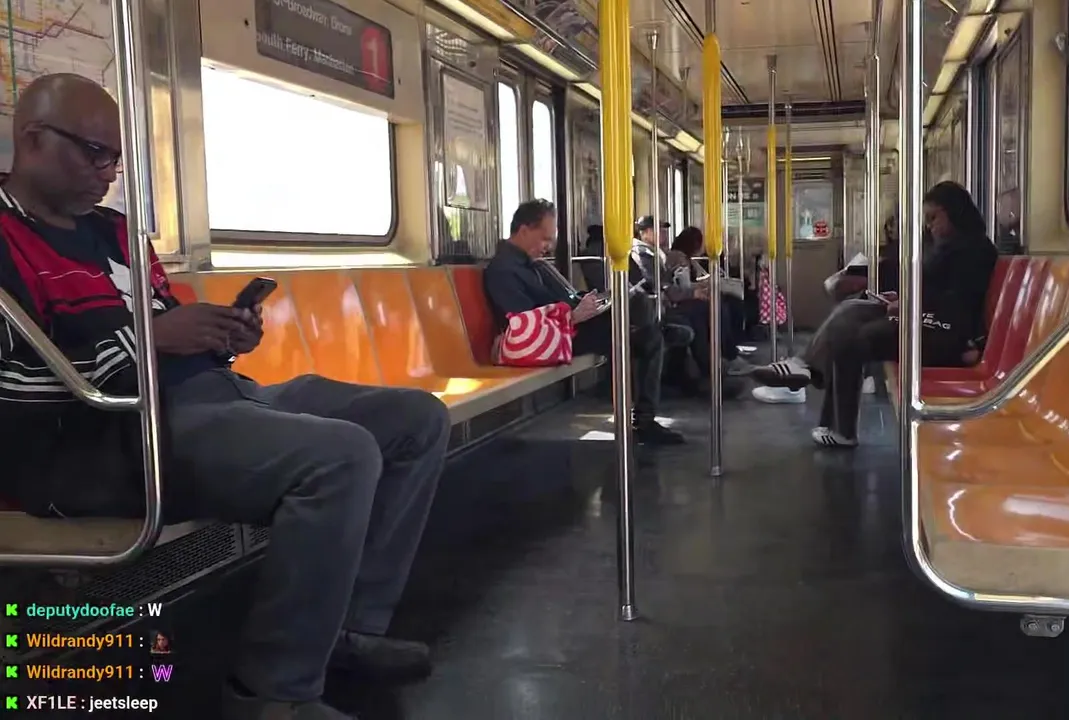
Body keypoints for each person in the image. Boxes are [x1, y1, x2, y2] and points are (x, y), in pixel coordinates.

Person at [0, 75, 448, 720]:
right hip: (108, 439)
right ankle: (271, 693)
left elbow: (163, 326)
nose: (109, 172)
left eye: (116, 158)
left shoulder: (117, 233)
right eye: (95, 153)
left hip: (214, 396)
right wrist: (151, 340)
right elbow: (16, 385)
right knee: (340, 455)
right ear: (33, 139)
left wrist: (221, 336)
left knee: (415, 419)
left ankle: (348, 628)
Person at [753, 181, 997, 447]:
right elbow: (934, 291)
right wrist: (903, 301)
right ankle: (805, 367)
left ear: (954, 212)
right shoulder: (949, 247)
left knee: (853, 339)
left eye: (934, 218)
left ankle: (837, 423)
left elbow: (957, 303)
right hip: (927, 319)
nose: (930, 226)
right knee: (853, 309)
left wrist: (909, 305)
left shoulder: (975, 251)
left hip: (946, 333)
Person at [484, 200, 684, 445]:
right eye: (545, 239)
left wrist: (586, 303)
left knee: (638, 317)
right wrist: (572, 316)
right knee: (645, 329)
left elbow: (564, 297)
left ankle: (654, 332)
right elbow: (523, 323)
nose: (548, 247)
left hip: (568, 326)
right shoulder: (504, 270)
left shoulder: (533, 264)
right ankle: (646, 415)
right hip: (549, 338)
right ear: (524, 230)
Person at [753, 213, 904, 406]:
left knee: (852, 320)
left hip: (914, 319)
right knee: (850, 312)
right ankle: (801, 372)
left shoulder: (909, 258)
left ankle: (799, 378)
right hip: (895, 307)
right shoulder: (897, 255)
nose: (892, 231)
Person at [665, 226, 752, 378]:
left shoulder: (685, 258)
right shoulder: (677, 257)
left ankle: (725, 353)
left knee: (724, 303)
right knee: (715, 307)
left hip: (683, 296)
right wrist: (700, 288)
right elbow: (682, 284)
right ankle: (723, 356)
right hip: (678, 301)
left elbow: (698, 276)